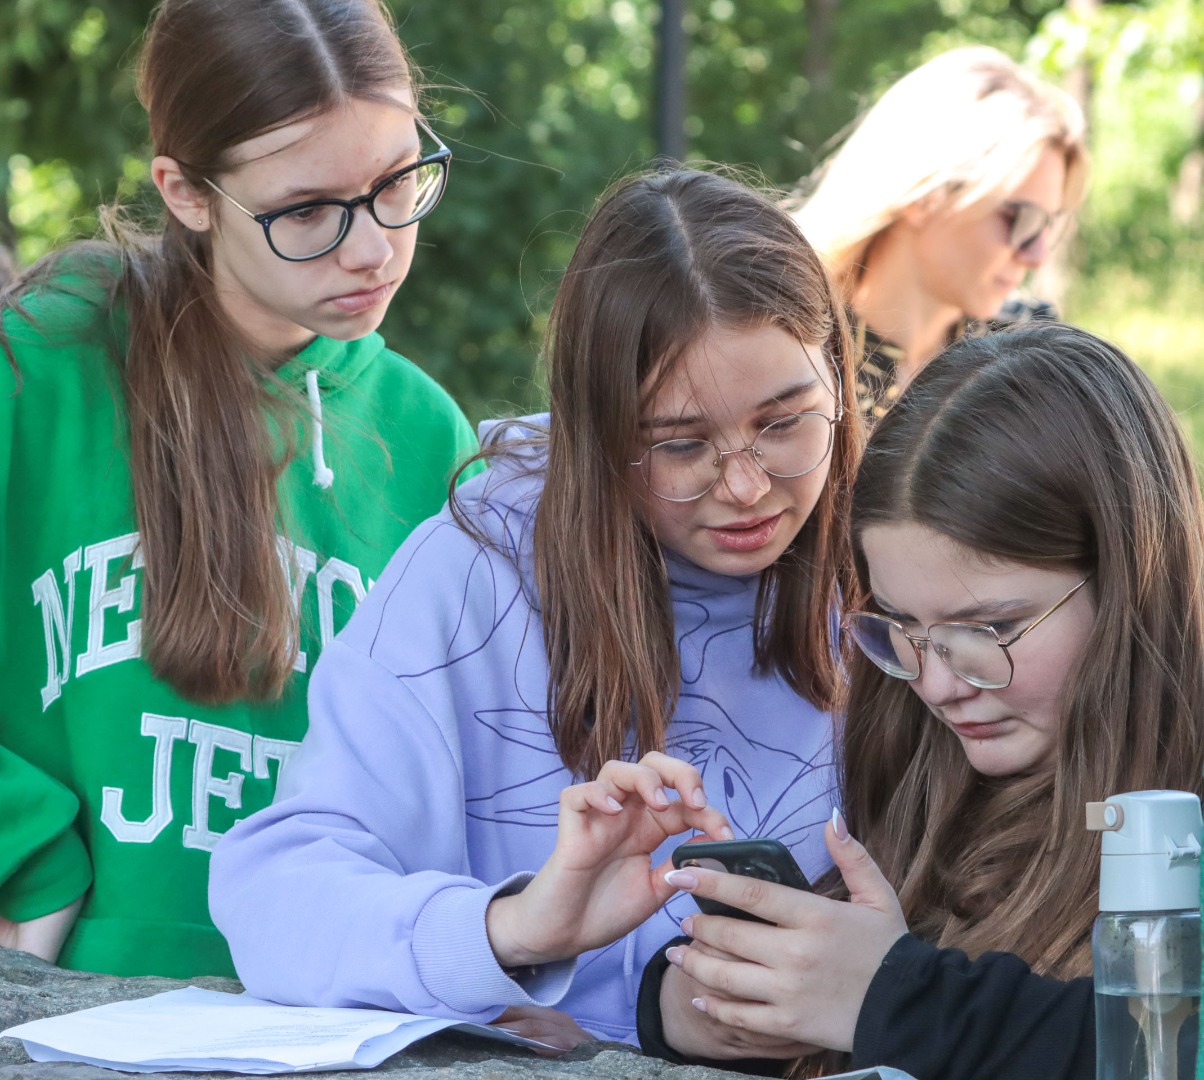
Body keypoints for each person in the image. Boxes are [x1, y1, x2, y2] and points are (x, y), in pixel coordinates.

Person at [209, 167, 860, 1046]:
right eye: (681, 444)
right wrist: (514, 930)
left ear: (839, 383)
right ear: (596, 432)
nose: (746, 488)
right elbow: (274, 895)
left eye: (785, 424)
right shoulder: (473, 570)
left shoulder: (897, 573)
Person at [0, 0, 480, 980]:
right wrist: (25, 854)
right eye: (306, 211)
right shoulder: (46, 358)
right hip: (62, 999)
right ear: (183, 190)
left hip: (322, 1008)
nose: (372, 247)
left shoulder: (427, 437)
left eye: (397, 184)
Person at [636, 321, 1204, 1079]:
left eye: (992, 628)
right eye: (902, 626)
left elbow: (1167, 1049)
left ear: (1133, 578)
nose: (937, 684)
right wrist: (696, 1008)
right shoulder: (911, 744)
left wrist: (892, 1000)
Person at [787, 46, 1088, 421]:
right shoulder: (793, 353)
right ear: (923, 196)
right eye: (1020, 219)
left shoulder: (1029, 350)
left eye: (1047, 224)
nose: (1037, 254)